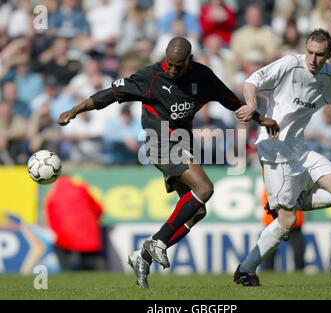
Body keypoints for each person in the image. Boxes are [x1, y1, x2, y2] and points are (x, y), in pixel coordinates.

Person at [57, 37, 278, 288]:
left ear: (189, 61)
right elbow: (110, 94)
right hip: (159, 142)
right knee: (204, 189)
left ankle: (143, 257)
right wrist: (75, 110)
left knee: (197, 211)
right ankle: (158, 242)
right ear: (165, 57)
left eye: (178, 66)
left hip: (182, 143)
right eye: (170, 65)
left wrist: (261, 119)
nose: (173, 70)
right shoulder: (150, 77)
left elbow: (231, 100)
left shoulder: (202, 76)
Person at [233, 29, 331, 286]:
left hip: (300, 150)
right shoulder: (289, 64)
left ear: (329, 55)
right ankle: (246, 268)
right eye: (309, 52)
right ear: (305, 48)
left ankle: (287, 203)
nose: (312, 59)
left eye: (319, 54)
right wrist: (253, 105)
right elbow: (250, 82)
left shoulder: (328, 75)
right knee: (287, 221)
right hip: (275, 150)